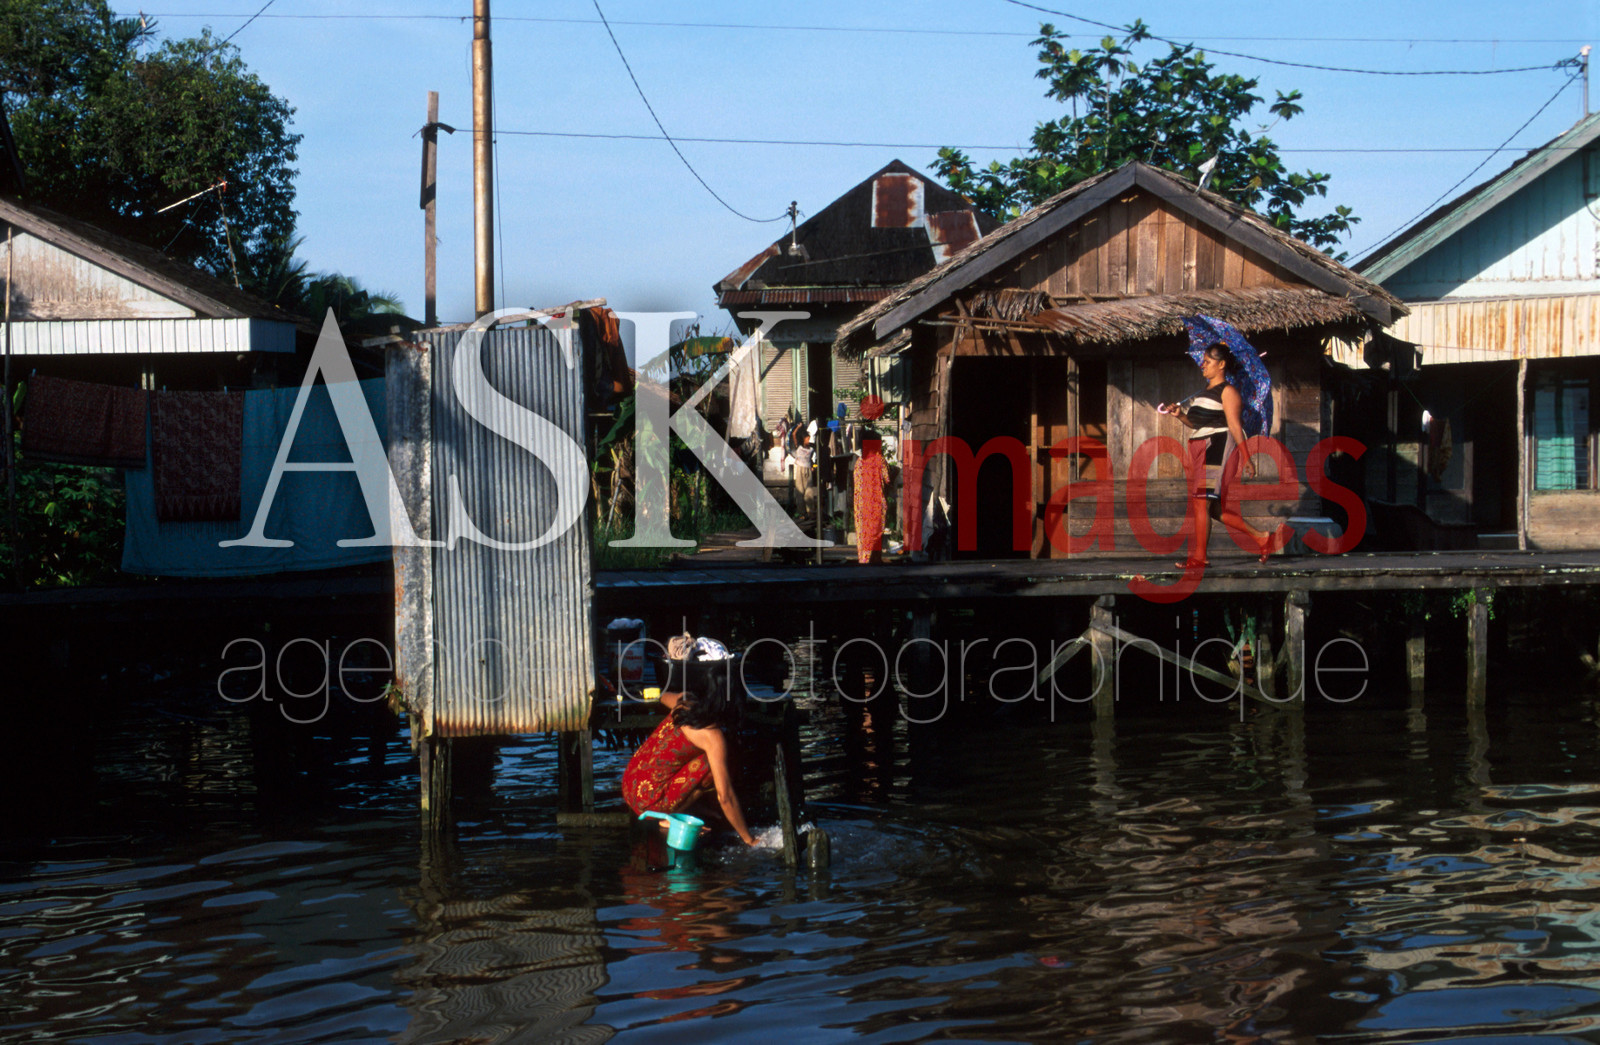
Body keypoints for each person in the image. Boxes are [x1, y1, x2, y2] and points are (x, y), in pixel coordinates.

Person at [621, 642, 759, 847]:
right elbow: (725, 796)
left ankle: (683, 807)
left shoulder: (685, 703)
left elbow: (662, 696)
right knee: (718, 763)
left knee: (707, 757)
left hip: (630, 783)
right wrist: (750, 839)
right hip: (647, 804)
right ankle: (669, 817)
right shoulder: (713, 737)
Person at [1157, 343, 1276, 567]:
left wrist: (1247, 457)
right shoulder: (1204, 392)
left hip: (1217, 447)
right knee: (1214, 508)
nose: (1203, 365)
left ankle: (1200, 557)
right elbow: (1197, 424)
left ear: (1221, 364)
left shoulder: (1228, 392)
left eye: (1207, 361)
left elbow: (1234, 425)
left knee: (1201, 502)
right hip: (1202, 448)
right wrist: (1180, 415)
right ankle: (1262, 537)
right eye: (1203, 361)